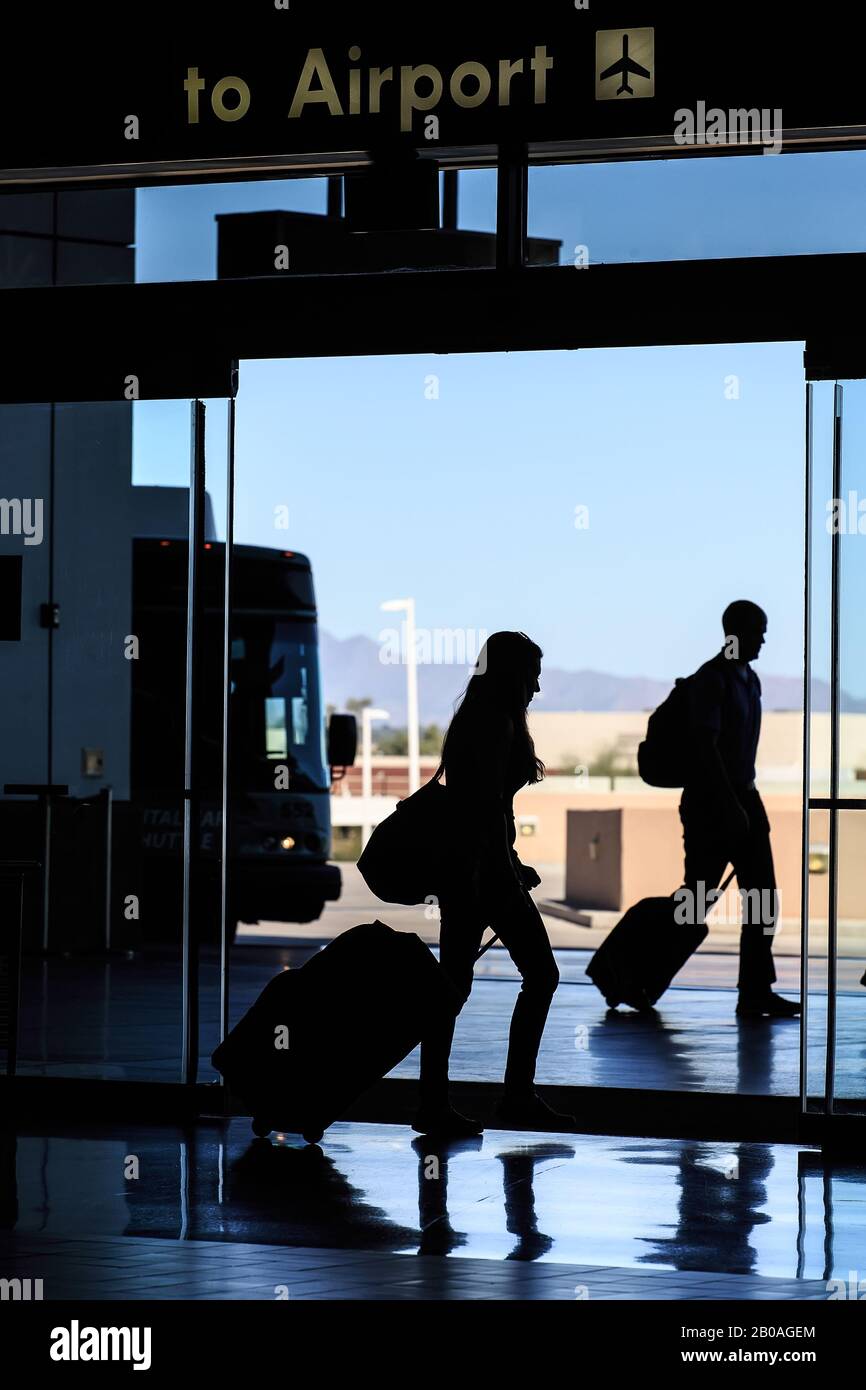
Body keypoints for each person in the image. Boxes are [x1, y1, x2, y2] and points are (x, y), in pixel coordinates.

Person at [414, 631, 574, 1137]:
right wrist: (507, 870)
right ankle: (516, 1097)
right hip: (485, 878)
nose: (537, 688)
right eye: (532, 676)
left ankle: (435, 1102)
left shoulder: (475, 719)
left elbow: (484, 810)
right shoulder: (496, 724)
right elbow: (485, 811)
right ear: (511, 674)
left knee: (452, 988)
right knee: (541, 975)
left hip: (469, 874)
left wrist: (509, 859)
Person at [680, 600, 800, 1018]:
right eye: (758, 631)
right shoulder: (712, 680)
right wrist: (730, 804)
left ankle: (755, 992)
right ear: (737, 631)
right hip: (713, 802)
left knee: (763, 897)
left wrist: (742, 802)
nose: (764, 639)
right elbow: (704, 747)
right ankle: (629, 971)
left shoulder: (748, 680)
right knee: (696, 902)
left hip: (744, 798)